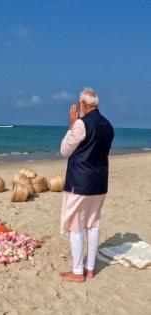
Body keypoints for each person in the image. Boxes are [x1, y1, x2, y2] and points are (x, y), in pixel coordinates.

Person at [59, 87, 114, 282]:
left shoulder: (81, 124)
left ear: (83, 104)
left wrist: (72, 125)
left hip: (80, 183)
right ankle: (90, 268)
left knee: (76, 227)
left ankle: (77, 271)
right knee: (93, 225)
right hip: (99, 182)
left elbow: (65, 150)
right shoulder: (108, 125)